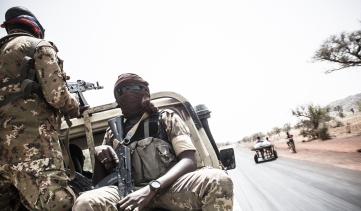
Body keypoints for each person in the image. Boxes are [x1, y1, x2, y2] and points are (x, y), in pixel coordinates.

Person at [73, 73, 233, 211]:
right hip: (128, 193)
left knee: (218, 179)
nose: (126, 93)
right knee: (86, 202)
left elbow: (189, 160)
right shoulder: (113, 131)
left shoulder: (166, 118)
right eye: (120, 91)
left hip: (169, 187)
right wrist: (100, 155)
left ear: (145, 92)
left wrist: (152, 188)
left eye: (132, 88)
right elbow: (99, 184)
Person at [0, 6, 80, 210]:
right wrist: (74, 105)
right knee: (59, 204)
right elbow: (57, 97)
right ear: (36, 28)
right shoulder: (38, 46)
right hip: (34, 149)